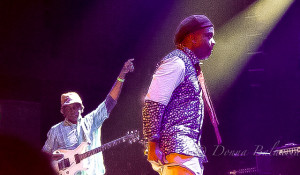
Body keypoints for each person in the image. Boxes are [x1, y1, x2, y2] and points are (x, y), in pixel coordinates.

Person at [142, 15, 221, 175]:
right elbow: (153, 103)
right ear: (192, 37)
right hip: (177, 148)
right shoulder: (176, 62)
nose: (213, 42)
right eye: (209, 36)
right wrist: (152, 145)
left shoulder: (187, 64)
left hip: (184, 149)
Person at [42, 59, 134, 175]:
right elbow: (43, 155)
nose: (73, 110)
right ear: (62, 111)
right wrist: (53, 158)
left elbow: (109, 102)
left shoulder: (91, 121)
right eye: (69, 108)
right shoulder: (55, 131)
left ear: (81, 108)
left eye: (76, 107)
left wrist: (122, 75)